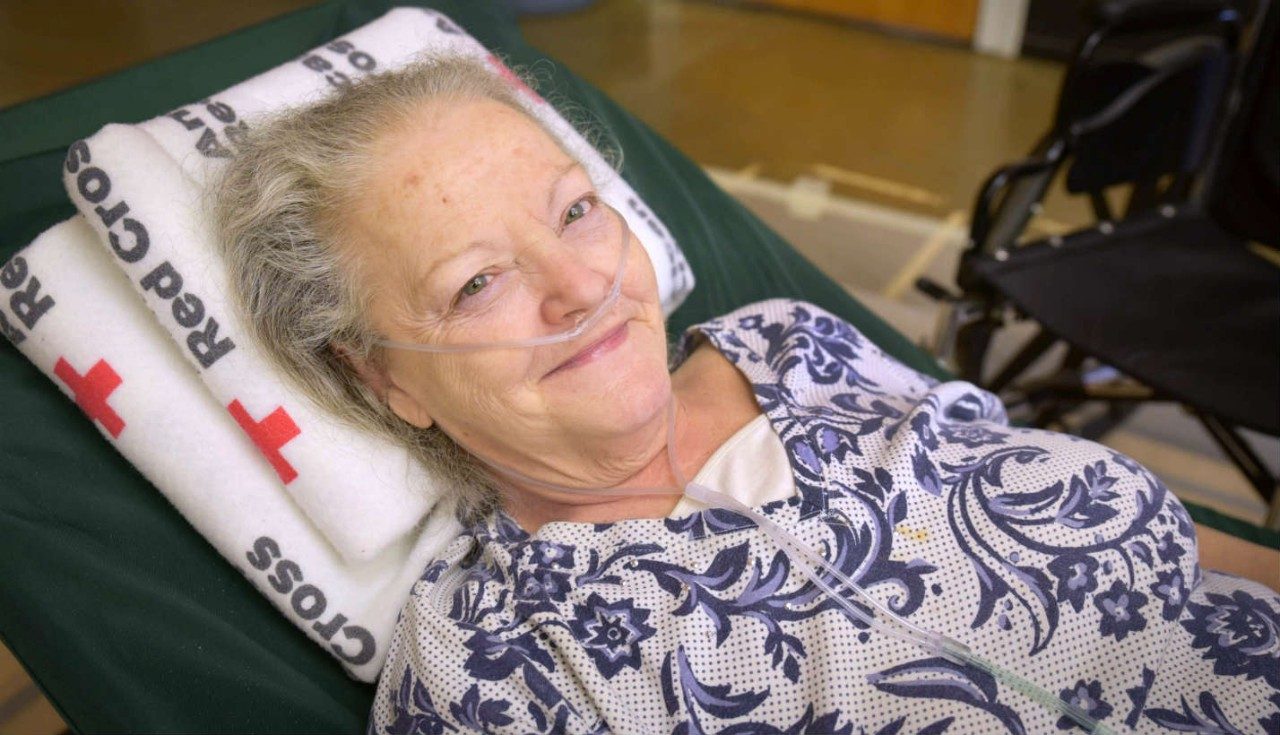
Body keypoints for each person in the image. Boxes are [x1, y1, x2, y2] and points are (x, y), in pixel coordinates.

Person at [212, 57, 1280, 734]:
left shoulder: (788, 338)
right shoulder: (487, 668)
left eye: (576, 212)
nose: (585, 287)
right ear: (383, 376)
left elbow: (1156, 536)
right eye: (477, 282)